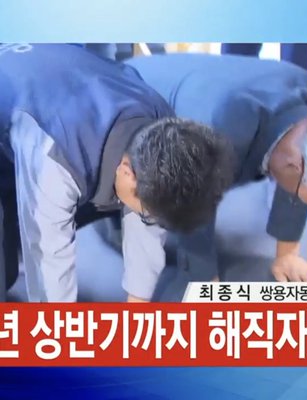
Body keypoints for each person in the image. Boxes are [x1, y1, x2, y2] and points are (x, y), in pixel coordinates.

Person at [0, 44, 234, 302]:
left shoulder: (162, 125)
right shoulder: (56, 158)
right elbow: (48, 260)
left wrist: (137, 303)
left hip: (59, 81)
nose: (151, 221)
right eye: (148, 214)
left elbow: (147, 225)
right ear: (126, 171)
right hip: (24, 104)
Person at [126, 53, 307, 299]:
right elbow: (190, 196)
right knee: (144, 190)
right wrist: (204, 279)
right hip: (136, 87)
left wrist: (287, 254)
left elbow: (302, 165)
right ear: (292, 165)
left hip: (206, 80)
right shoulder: (218, 128)